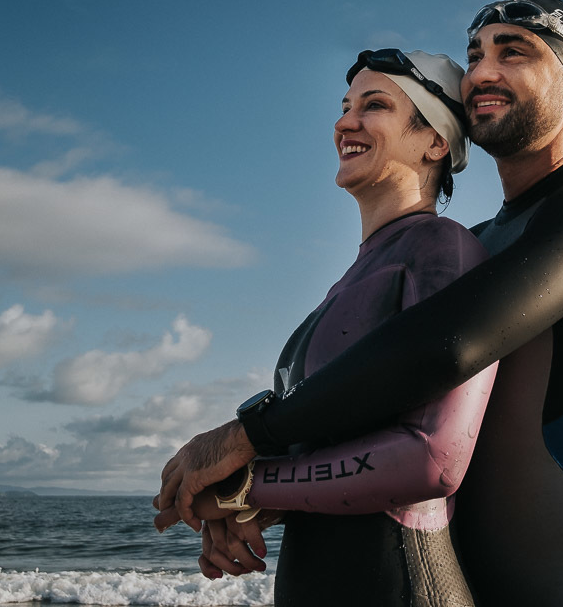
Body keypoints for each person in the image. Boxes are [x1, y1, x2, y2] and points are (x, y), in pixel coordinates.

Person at [157, 0, 563, 607]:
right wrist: (257, 496)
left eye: (515, 53)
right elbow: (398, 425)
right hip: (474, 580)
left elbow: (450, 348)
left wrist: (249, 438)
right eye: (477, 54)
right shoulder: (473, 243)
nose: (482, 71)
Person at [160, 49, 496, 606]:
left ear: (436, 141)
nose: (345, 121)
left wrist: (245, 484)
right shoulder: (350, 280)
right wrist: (248, 503)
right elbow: (330, 453)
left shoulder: (444, 250)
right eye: (344, 107)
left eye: (375, 105)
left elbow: (433, 460)